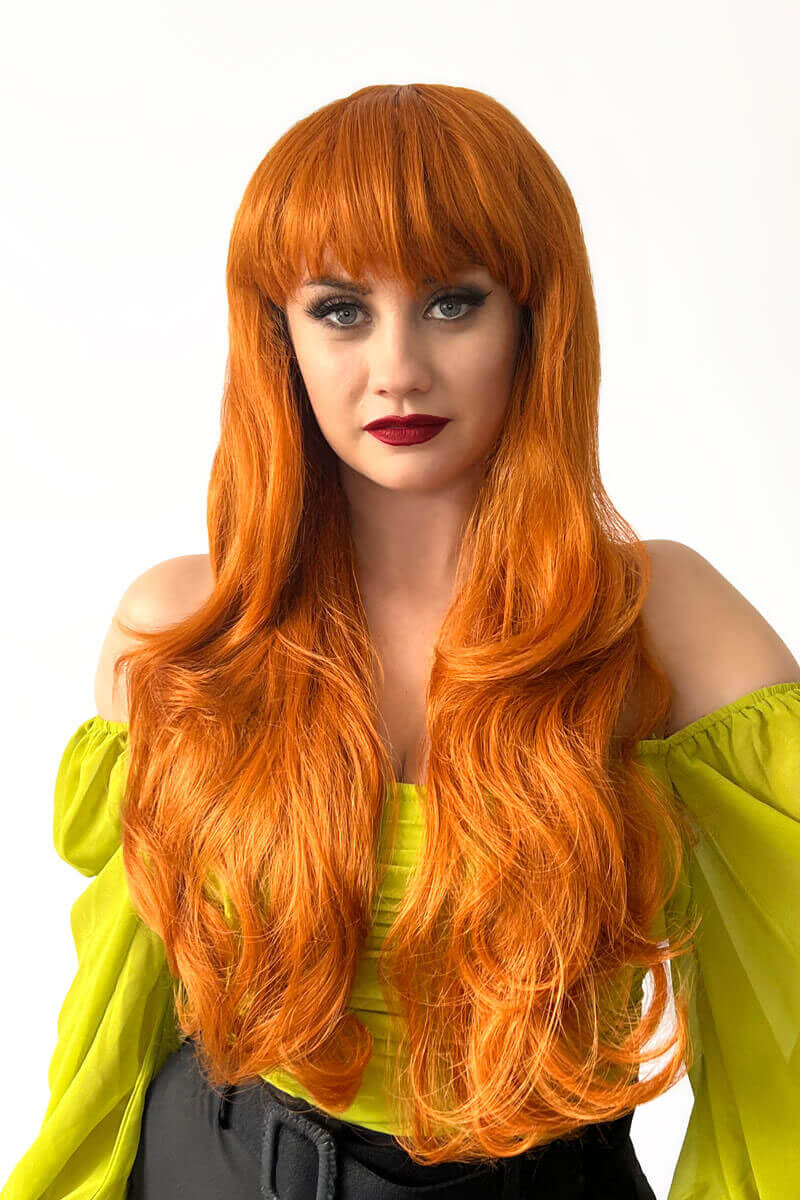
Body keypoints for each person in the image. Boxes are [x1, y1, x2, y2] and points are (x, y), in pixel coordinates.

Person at [3, 82, 799, 1200]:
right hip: (210, 1167)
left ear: (533, 319)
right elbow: (113, 1016)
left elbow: (785, 1025)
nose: (397, 369)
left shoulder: (663, 622)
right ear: (277, 334)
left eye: (451, 303)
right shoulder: (184, 628)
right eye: (340, 310)